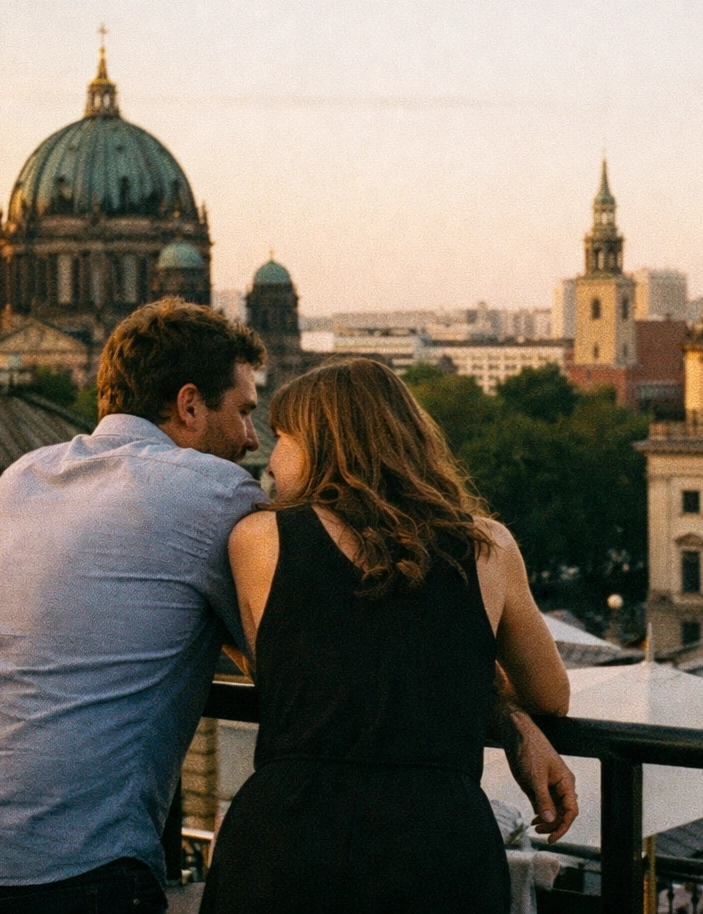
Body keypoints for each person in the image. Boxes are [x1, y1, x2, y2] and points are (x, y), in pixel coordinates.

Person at [0, 299, 574, 914]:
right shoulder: (219, 496)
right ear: (188, 405)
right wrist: (510, 718)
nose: (252, 442)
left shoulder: (24, 474)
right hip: (63, 863)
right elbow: (353, 662)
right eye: (243, 412)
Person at [200, 357, 577, 914]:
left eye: (283, 437)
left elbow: (292, 677)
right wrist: (511, 718)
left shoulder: (259, 539)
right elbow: (550, 695)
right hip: (440, 844)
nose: (271, 459)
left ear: (326, 444)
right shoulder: (488, 547)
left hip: (293, 837)